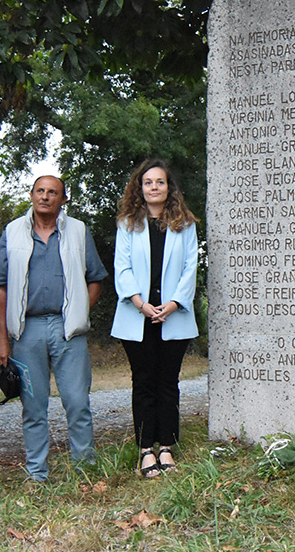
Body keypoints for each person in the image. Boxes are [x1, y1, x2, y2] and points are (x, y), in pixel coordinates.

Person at [0, 176, 108, 482]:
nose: (45, 197)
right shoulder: (12, 232)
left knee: (78, 402)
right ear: (31, 195)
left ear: (63, 200)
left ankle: (85, 470)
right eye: (40, 191)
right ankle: (36, 474)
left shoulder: (79, 231)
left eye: (52, 192)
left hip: (66, 328)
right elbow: (1, 289)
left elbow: (95, 279)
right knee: (33, 407)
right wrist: (2, 340)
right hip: (26, 329)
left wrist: (79, 312)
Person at [111, 159, 200, 477]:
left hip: (173, 316)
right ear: (140, 188)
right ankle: (146, 449)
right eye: (148, 182)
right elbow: (121, 267)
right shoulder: (127, 224)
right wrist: (140, 303)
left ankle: (167, 447)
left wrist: (174, 303)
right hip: (138, 316)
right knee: (144, 382)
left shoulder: (185, 224)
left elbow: (191, 267)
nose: (153, 187)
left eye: (159, 182)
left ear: (168, 187)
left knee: (168, 384)